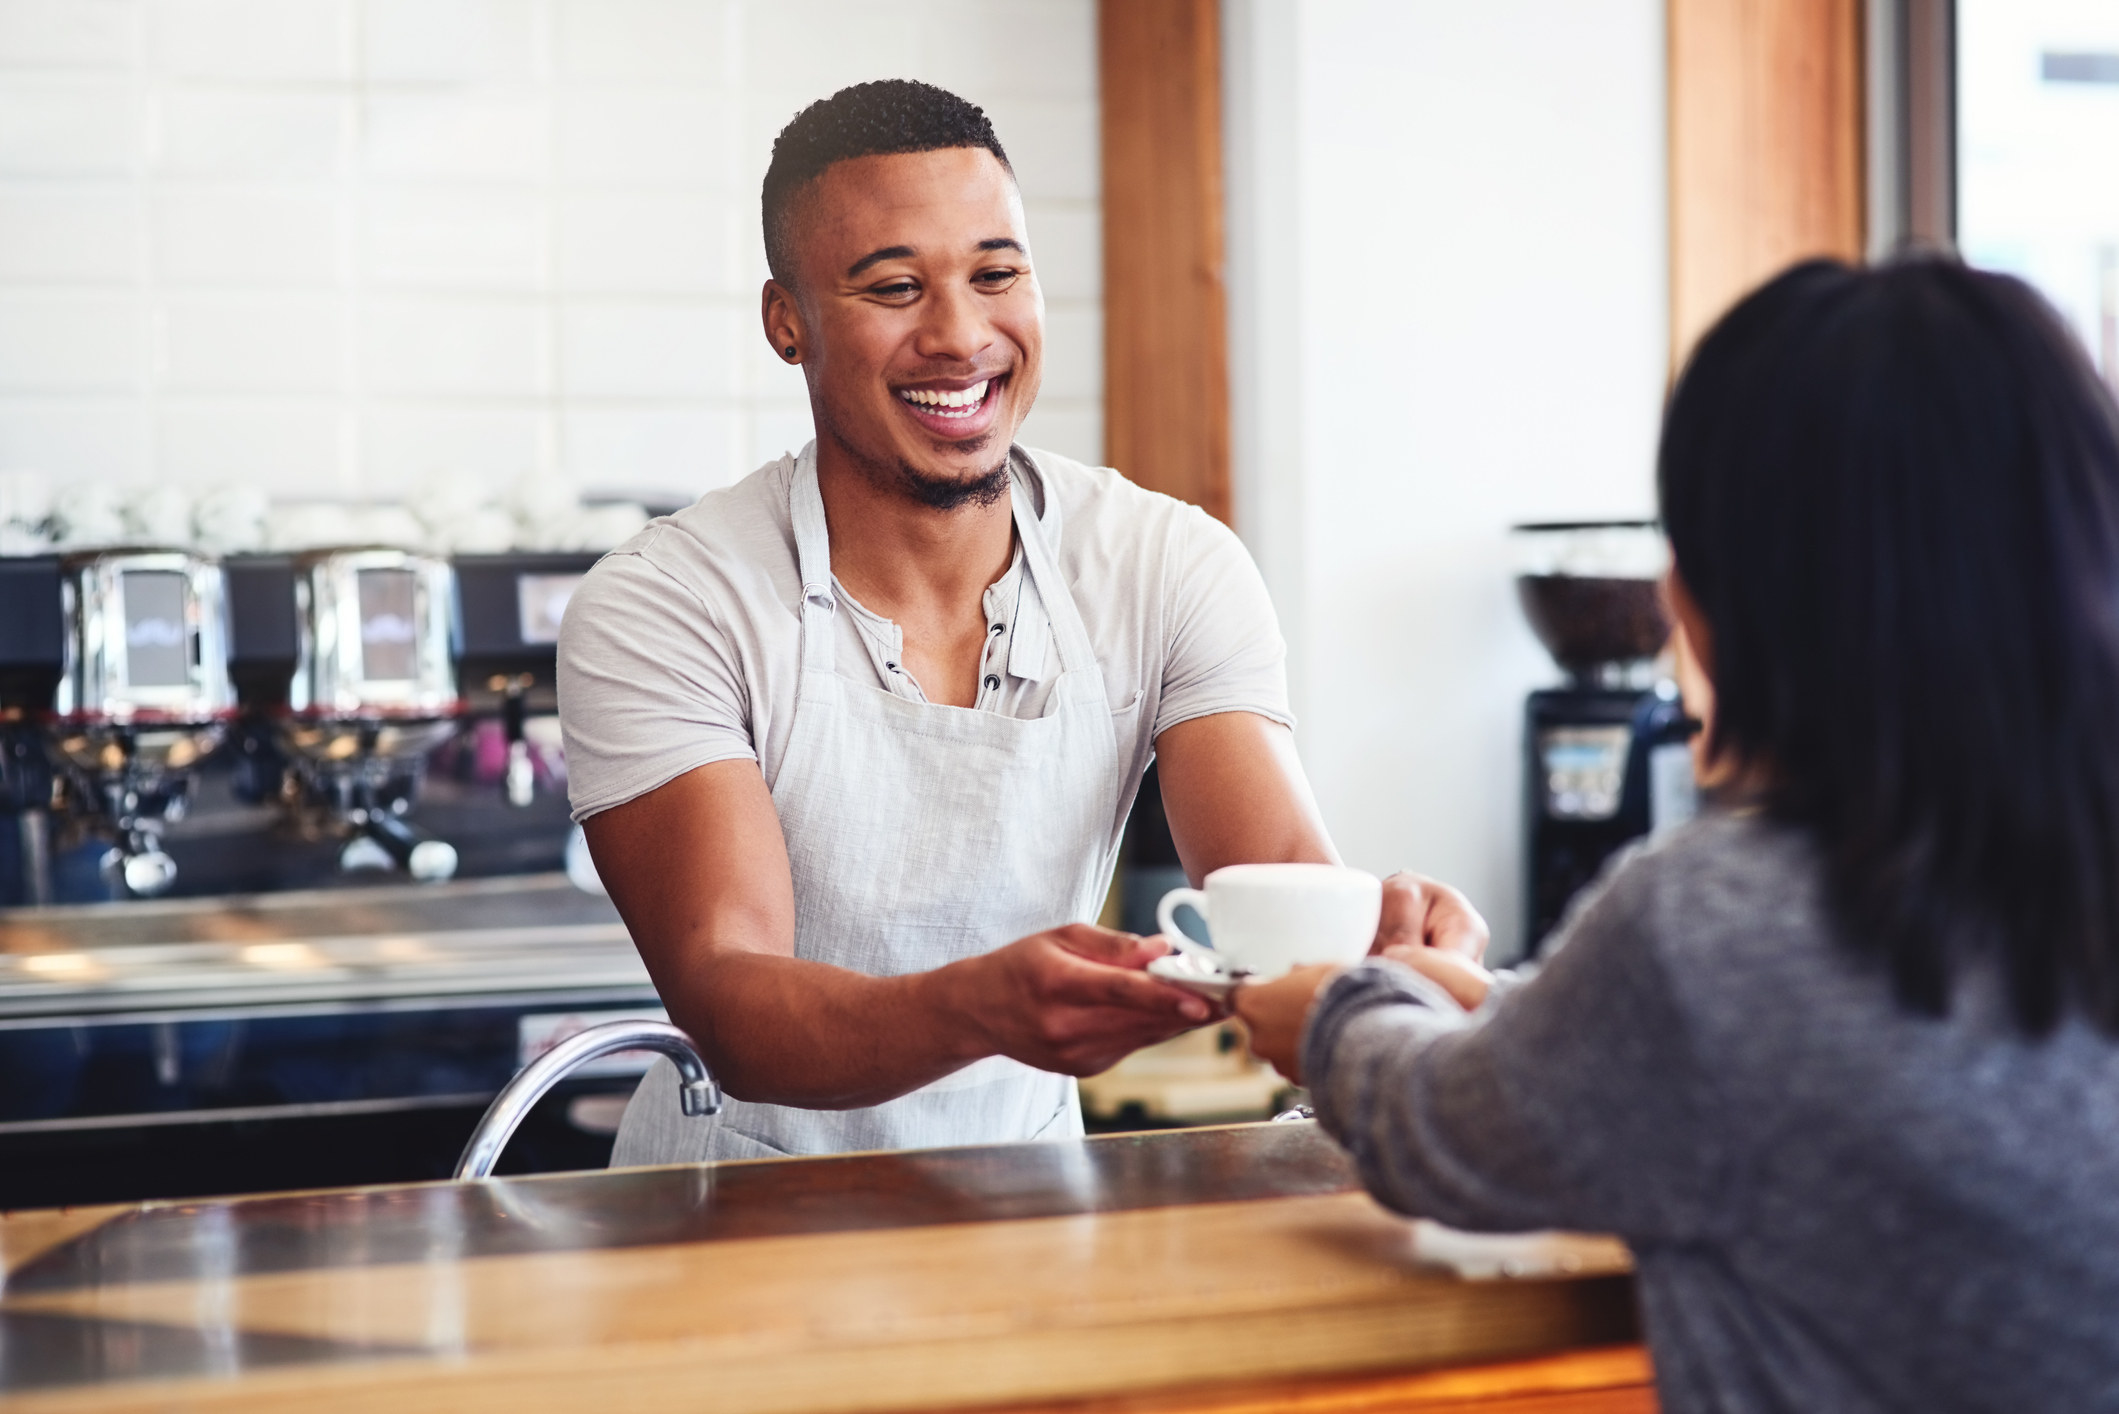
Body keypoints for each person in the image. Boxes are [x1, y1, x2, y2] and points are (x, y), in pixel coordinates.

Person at [1240, 257, 2119, 1411]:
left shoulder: (1719, 923)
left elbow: (1437, 1130)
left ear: (1731, 594)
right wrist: (1493, 1003)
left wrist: (1332, 1016)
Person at [558, 79, 1483, 1164]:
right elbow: (732, 1001)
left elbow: (1271, 889)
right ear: (787, 323)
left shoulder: (1164, 564)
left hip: (1027, 1199)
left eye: (996, 275)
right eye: (894, 287)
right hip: (731, 1218)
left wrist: (1383, 951)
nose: (960, 336)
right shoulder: (669, 600)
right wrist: (978, 1009)